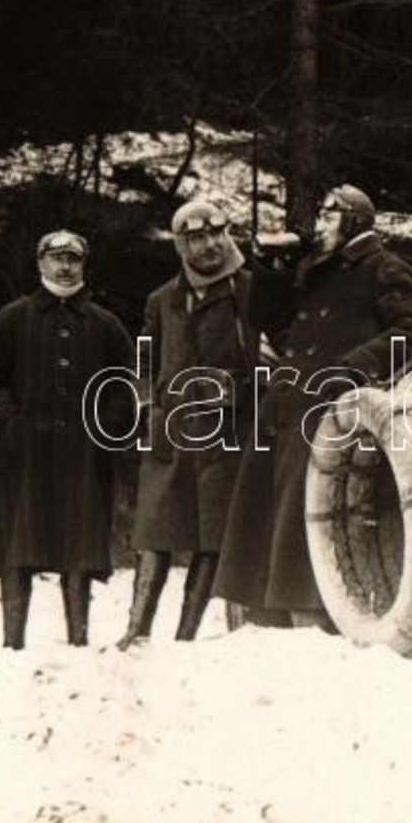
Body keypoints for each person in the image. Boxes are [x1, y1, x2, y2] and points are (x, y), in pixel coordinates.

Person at [214, 184, 412, 627]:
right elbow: (269, 320)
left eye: (328, 216)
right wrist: (273, 266)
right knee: (264, 511)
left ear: (353, 220)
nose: (318, 225)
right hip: (286, 404)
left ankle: (311, 621)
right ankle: (263, 620)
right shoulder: (318, 268)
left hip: (329, 411)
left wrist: (353, 366)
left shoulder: (383, 268)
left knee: (306, 517)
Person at [0, 230, 138, 649]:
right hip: (25, 453)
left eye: (73, 259)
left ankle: (78, 637)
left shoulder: (104, 323)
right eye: (56, 258)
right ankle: (12, 641)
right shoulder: (13, 317)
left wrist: (106, 425)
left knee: (80, 544)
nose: (65, 267)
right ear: (39, 262)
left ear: (84, 265)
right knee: (19, 543)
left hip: (84, 454)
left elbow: (128, 381)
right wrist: (8, 422)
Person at [117, 200, 257, 648]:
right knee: (154, 533)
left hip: (224, 431)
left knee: (210, 536)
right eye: (197, 238)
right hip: (170, 431)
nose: (210, 245)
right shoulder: (162, 299)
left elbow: (273, 358)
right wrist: (145, 405)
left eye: (217, 234)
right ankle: (136, 630)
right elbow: (143, 356)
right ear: (182, 245)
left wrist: (240, 389)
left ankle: (186, 637)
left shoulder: (249, 292)